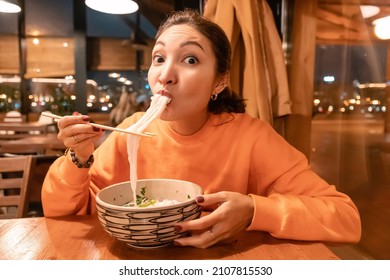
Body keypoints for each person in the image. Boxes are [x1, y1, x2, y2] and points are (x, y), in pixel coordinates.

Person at [42, 9, 361, 249]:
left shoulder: (250, 137)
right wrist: (79, 157)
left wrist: (253, 211)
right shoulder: (131, 132)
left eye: (190, 60)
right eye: (159, 58)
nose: (165, 75)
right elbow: (64, 212)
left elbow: (345, 218)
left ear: (219, 81)